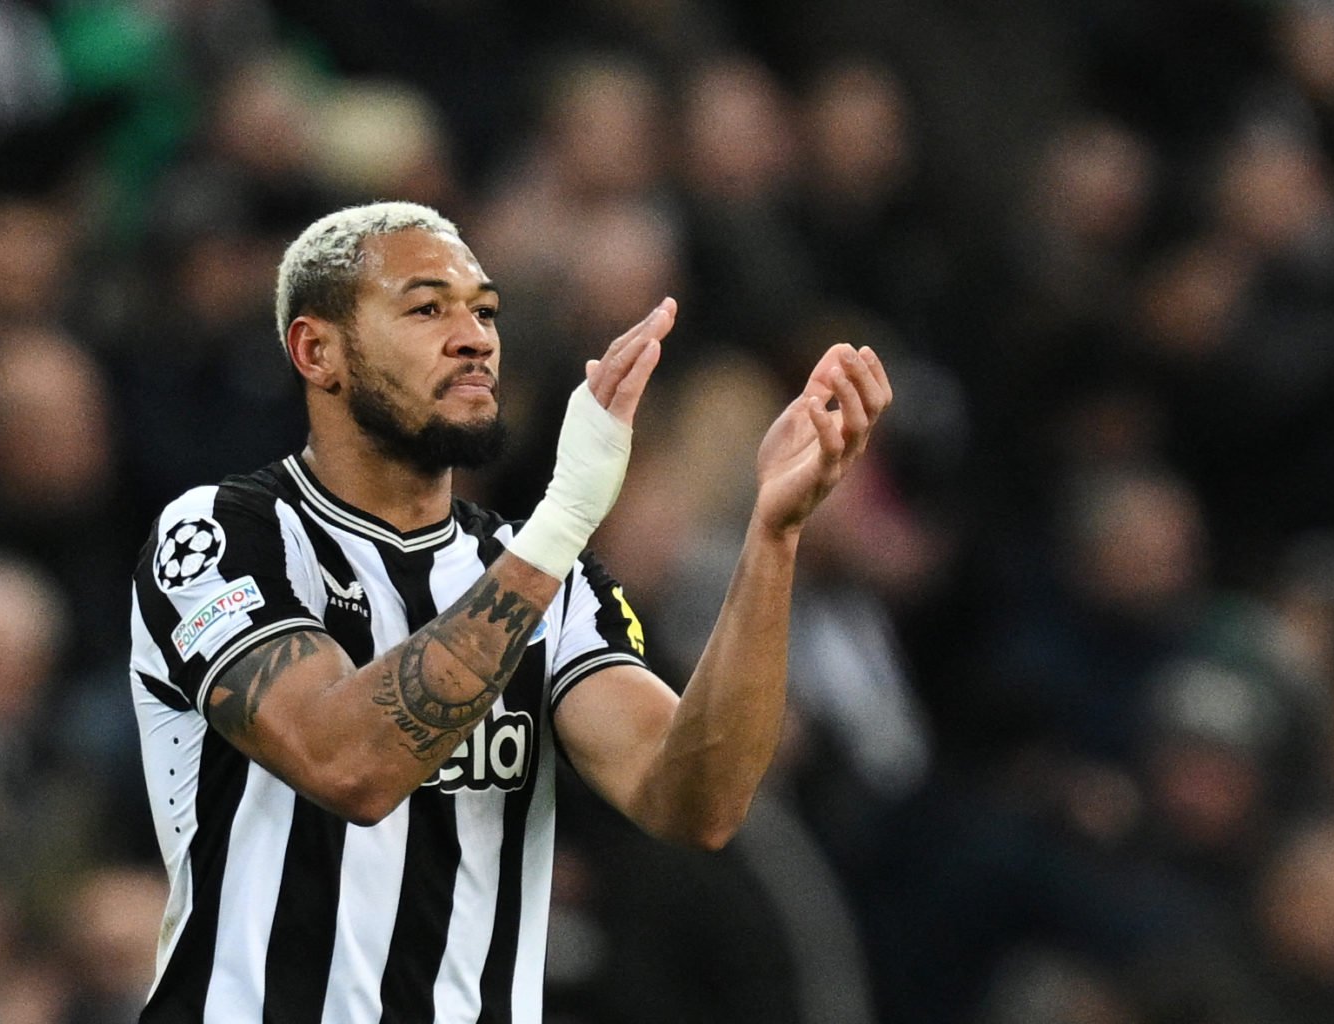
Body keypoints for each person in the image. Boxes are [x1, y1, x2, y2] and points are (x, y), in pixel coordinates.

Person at [127, 200, 891, 1023]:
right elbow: (348, 765)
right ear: (319, 350)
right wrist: (564, 518)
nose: (474, 337)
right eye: (426, 309)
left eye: (484, 312)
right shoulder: (219, 536)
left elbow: (695, 802)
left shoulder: (550, 576)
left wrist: (773, 536)